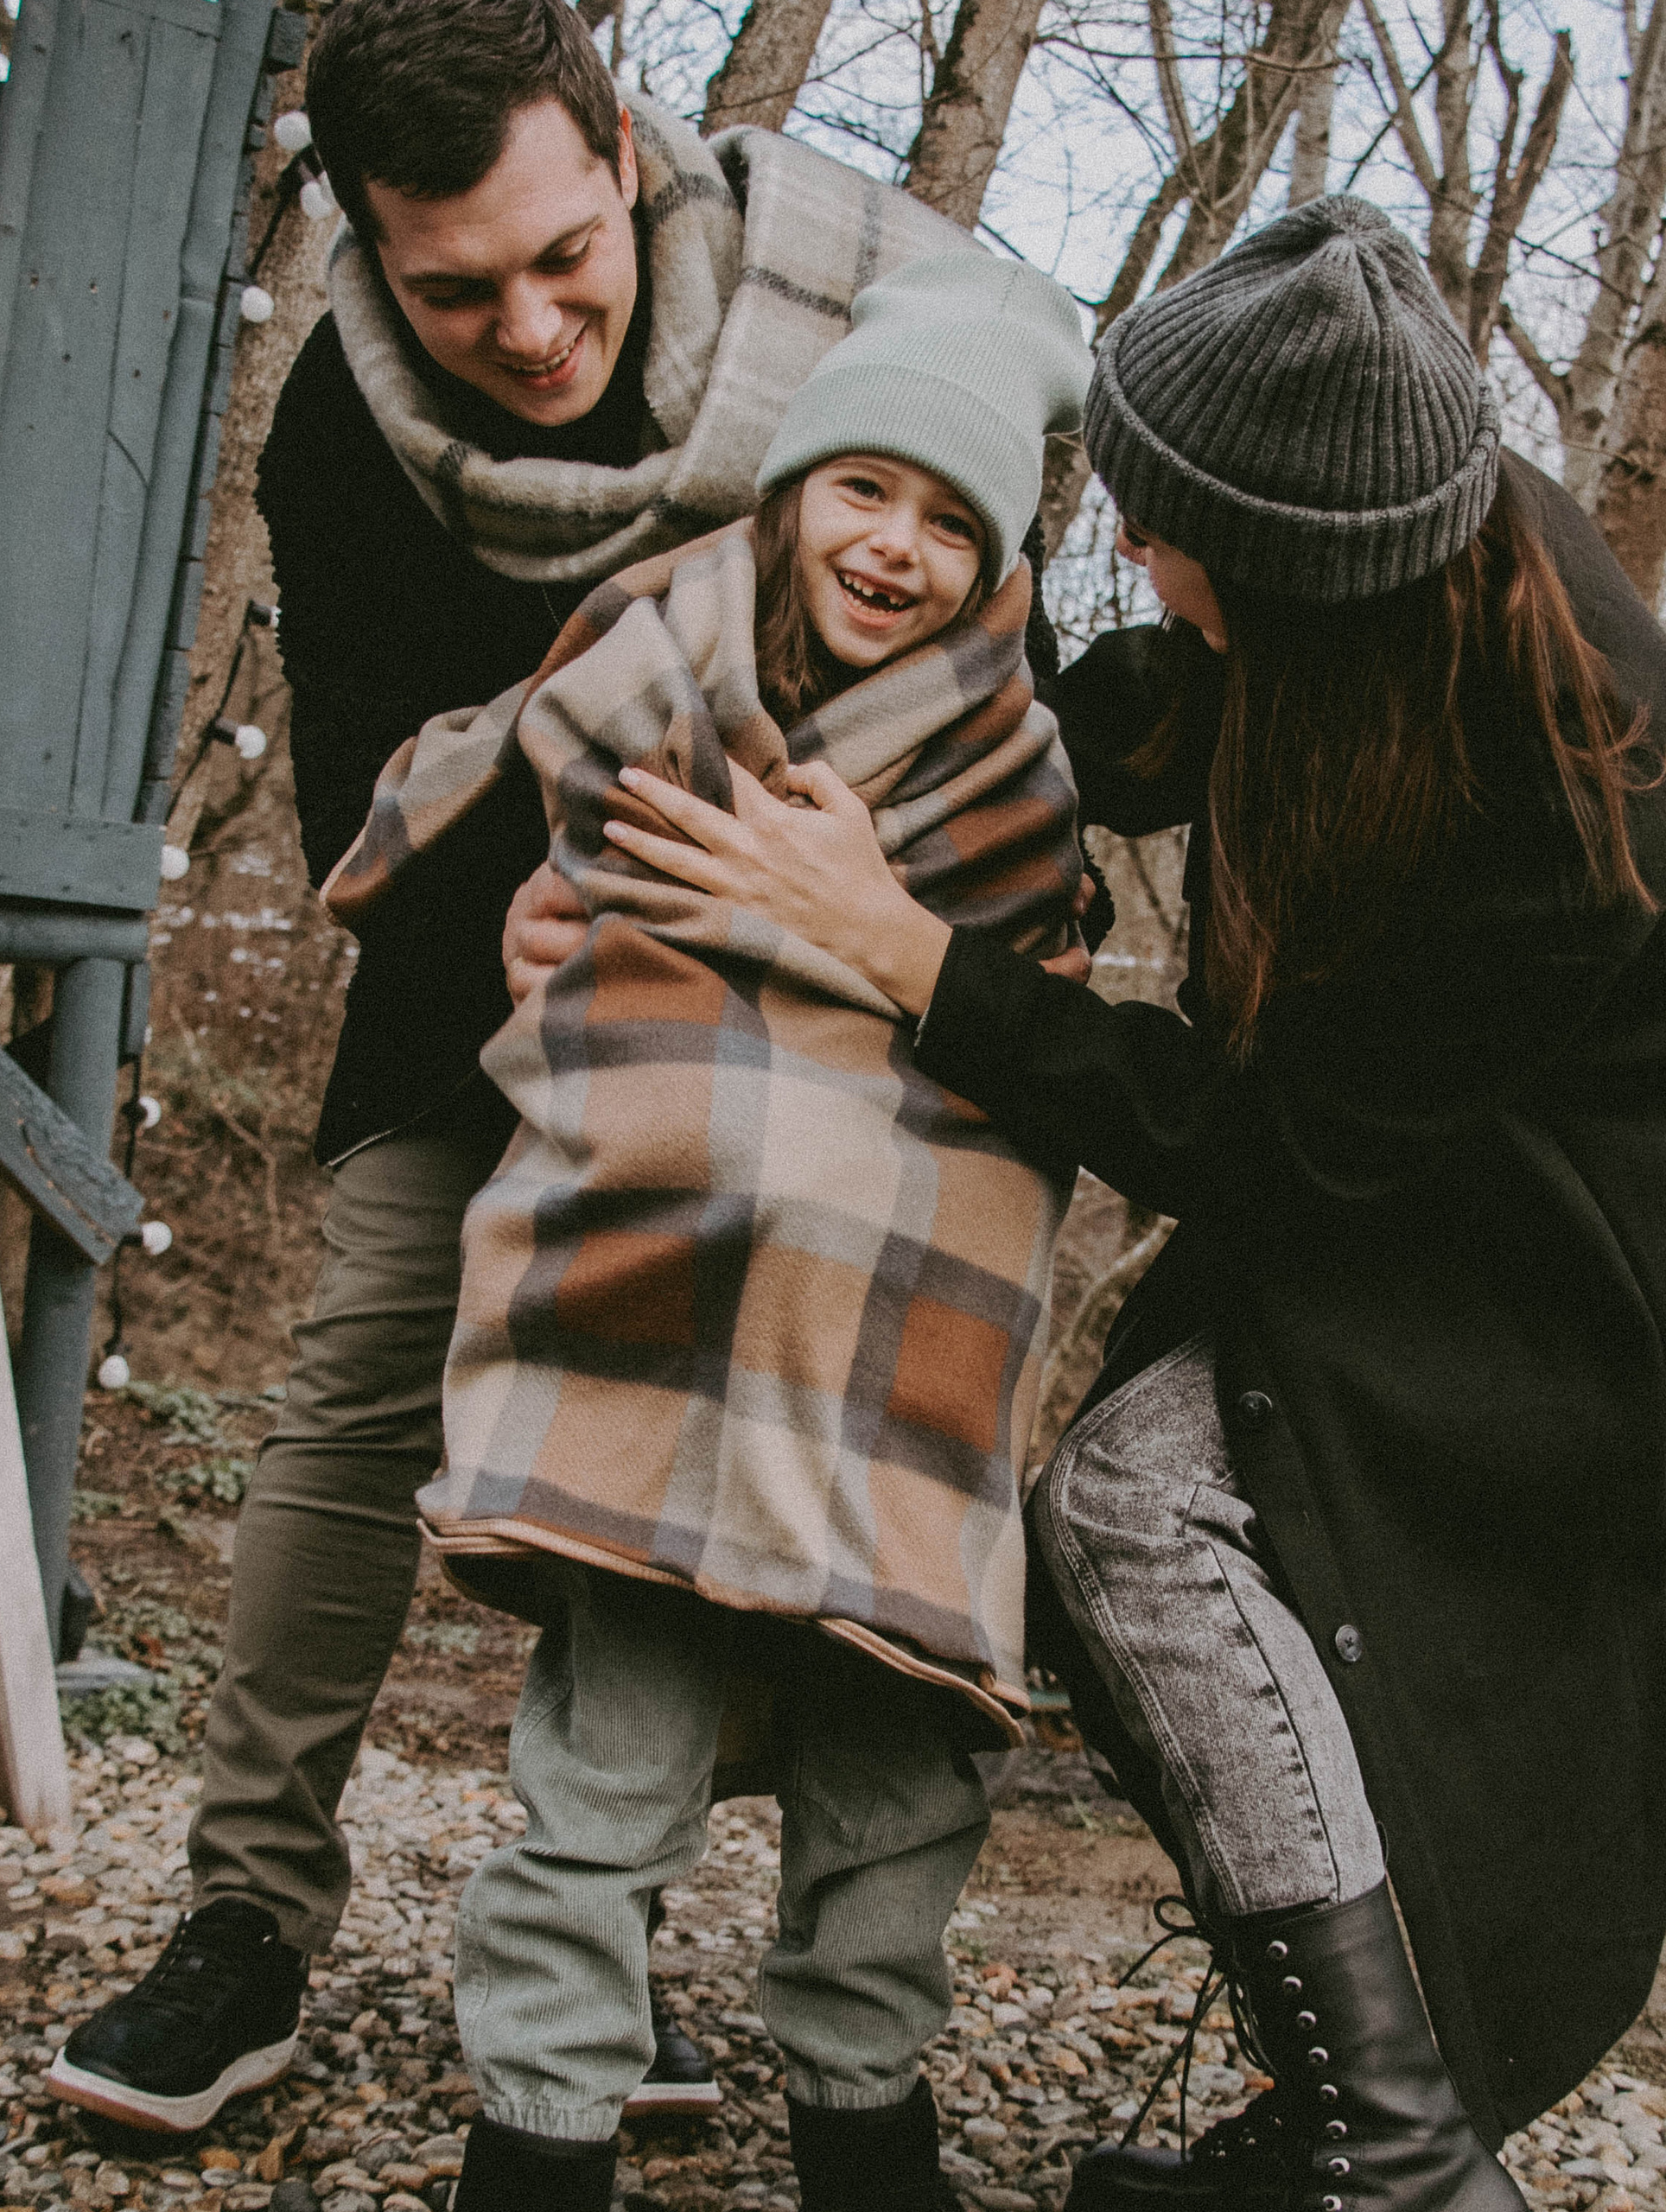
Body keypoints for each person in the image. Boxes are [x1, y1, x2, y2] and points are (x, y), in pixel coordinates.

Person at [539, 197, 1666, 2212]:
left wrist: (904, 947)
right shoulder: (1357, 542)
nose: (1121, 542)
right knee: (1123, 1527)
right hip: (1380, 1168)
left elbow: (1255, 1139)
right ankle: (1347, 2115)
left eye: (1160, 525)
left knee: (1137, 1512)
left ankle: (1392, 2149)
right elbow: (1143, 702)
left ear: (1292, 572)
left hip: (1535, 1263)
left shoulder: (1573, 781)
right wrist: (908, 681)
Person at [47, 0, 1004, 2137]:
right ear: (370, 250)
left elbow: (958, 626)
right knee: (358, 1386)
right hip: (478, 961)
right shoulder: (341, 419)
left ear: (623, 154)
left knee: (679, 1457)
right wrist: (535, 909)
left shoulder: (831, 329)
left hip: (792, 996)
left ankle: (602, 1939)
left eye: (562, 258)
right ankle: (245, 1916)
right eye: (453, 290)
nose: (531, 329)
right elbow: (356, 800)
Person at [315, 252, 1091, 2212]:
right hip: (654, 1288)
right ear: (791, 491)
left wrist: (850, 936)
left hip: (899, 1330)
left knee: (900, 1766)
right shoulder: (650, 661)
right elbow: (541, 874)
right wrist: (571, 941)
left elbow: (1029, 1020)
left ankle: (865, 2121)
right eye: (864, 491)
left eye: (949, 521)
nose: (895, 547)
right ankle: (538, 2138)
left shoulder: (1017, 757)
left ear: (998, 561)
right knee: (610, 1756)